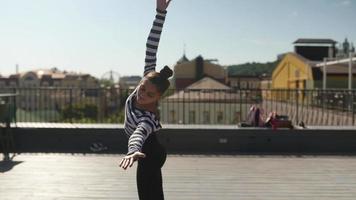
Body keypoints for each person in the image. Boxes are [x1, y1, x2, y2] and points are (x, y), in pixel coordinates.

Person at [119, 0, 172, 199]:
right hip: (146, 152)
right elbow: (151, 46)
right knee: (153, 193)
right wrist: (160, 13)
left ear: (158, 97)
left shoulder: (147, 117)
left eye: (149, 95)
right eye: (142, 88)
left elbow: (139, 133)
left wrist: (133, 150)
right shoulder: (146, 80)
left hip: (148, 152)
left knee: (149, 195)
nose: (142, 95)